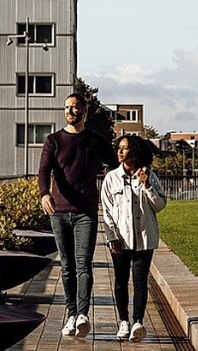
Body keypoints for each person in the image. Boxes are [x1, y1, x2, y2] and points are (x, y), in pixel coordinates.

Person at [37, 92, 116, 339]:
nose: (70, 111)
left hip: (86, 213)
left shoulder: (96, 141)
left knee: (84, 264)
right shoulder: (54, 140)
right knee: (67, 266)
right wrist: (44, 194)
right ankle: (71, 314)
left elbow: (115, 167)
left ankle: (82, 314)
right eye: (67, 108)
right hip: (59, 212)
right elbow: (43, 171)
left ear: (85, 111)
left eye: (75, 107)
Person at [101, 134, 166, 343]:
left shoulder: (149, 176)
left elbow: (160, 205)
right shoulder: (111, 178)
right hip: (121, 239)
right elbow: (107, 211)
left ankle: (138, 322)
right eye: (119, 147)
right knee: (121, 281)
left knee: (140, 281)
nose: (120, 151)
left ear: (135, 152)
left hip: (144, 239)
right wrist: (112, 237)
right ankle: (123, 321)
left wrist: (146, 185)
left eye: (125, 148)